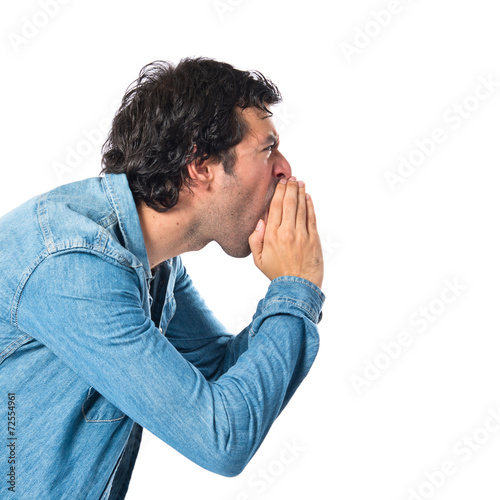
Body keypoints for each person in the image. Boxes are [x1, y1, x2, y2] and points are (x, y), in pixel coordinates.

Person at [0, 57, 325, 499]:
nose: (284, 168)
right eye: (268, 149)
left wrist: (292, 289)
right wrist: (294, 290)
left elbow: (220, 372)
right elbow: (222, 438)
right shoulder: (73, 265)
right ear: (201, 166)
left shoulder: (153, 264)